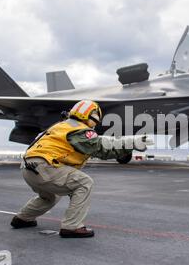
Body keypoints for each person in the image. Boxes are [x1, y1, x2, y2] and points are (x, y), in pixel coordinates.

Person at [10, 100, 144, 238]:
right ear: (90, 115)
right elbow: (101, 149)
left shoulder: (61, 126)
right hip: (46, 167)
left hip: (28, 168)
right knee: (84, 183)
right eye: (96, 116)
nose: (96, 121)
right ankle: (72, 227)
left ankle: (22, 219)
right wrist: (131, 143)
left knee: (49, 196)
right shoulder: (80, 129)